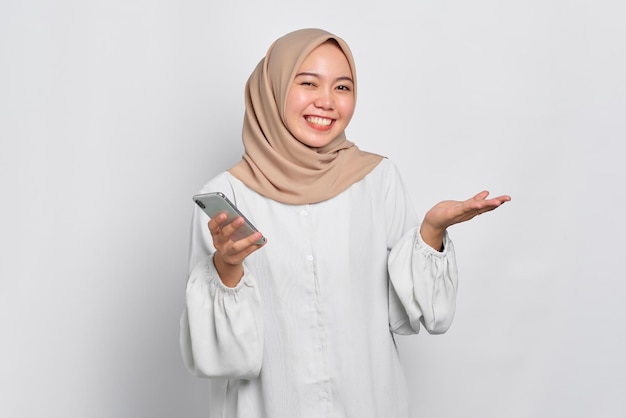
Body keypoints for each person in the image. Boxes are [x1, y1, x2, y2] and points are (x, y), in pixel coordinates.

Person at [180, 28, 510, 418]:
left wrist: (431, 234)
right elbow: (223, 359)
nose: (327, 102)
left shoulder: (377, 179)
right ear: (272, 89)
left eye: (342, 87)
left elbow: (420, 315)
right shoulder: (228, 196)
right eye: (307, 83)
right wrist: (227, 267)